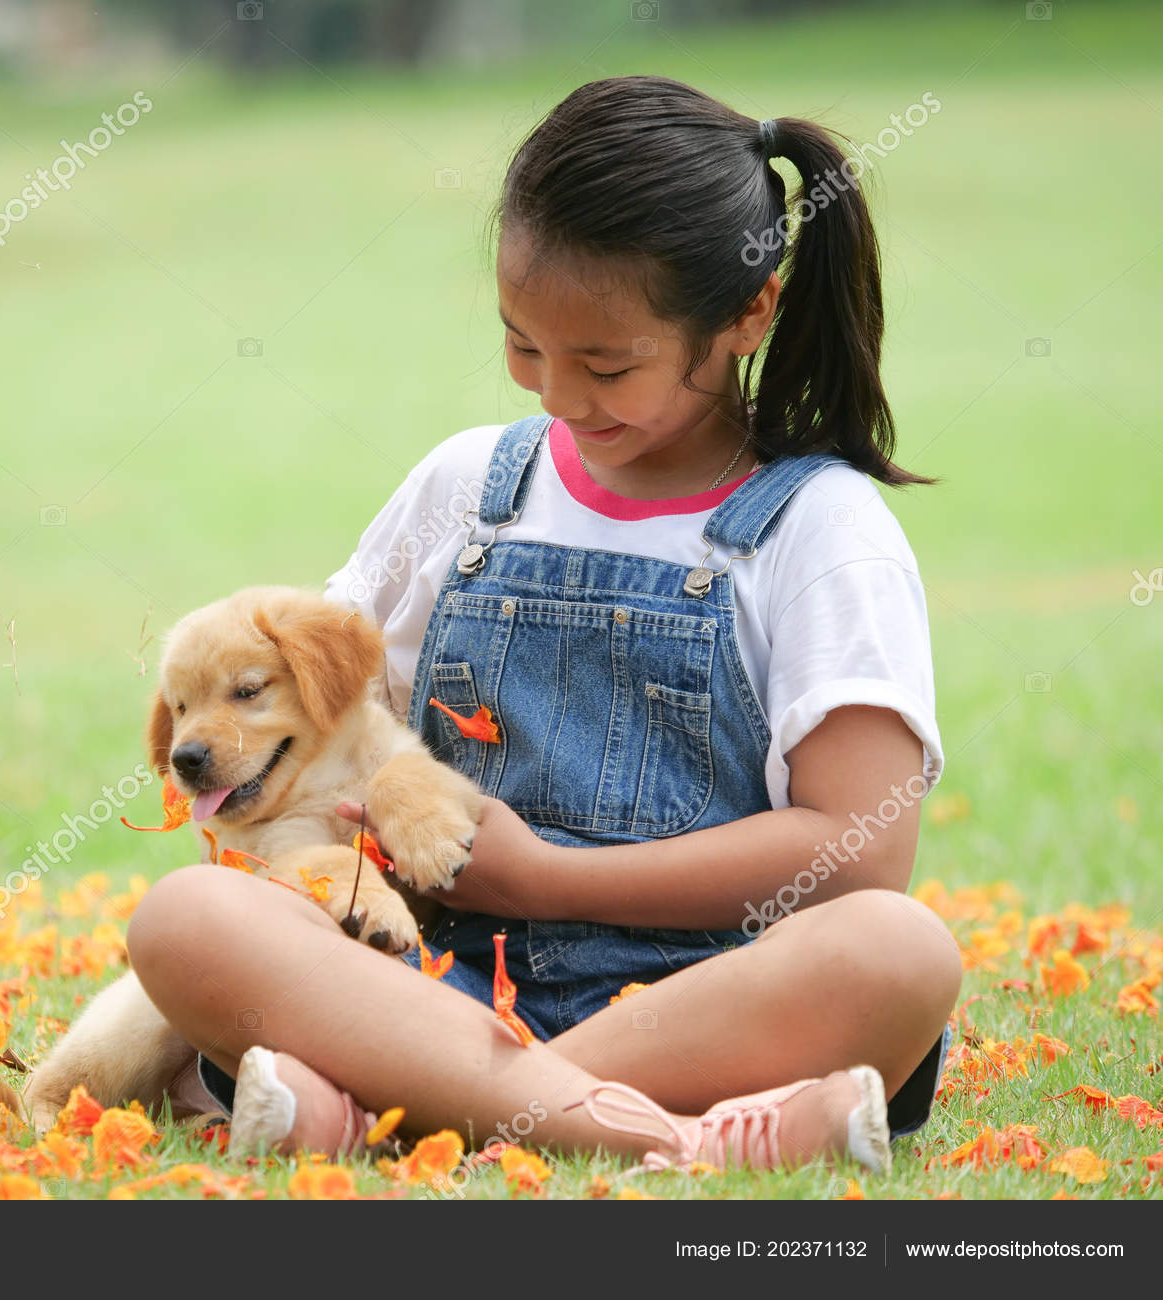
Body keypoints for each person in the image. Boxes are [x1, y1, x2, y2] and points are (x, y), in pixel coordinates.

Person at [126, 74, 961, 1174]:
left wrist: (546, 881)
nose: (558, 394)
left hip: (710, 999)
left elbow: (857, 855)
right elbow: (327, 728)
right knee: (185, 921)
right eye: (524, 347)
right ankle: (679, 1136)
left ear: (747, 314)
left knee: (897, 949)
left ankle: (405, 1113)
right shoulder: (467, 487)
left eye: (606, 364)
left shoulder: (819, 528)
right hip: (431, 982)